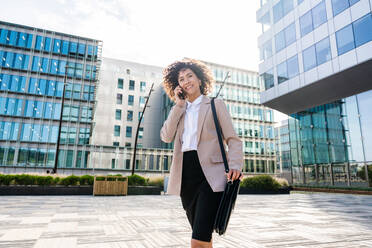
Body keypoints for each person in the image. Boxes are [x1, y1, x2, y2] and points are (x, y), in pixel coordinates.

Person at [160, 59, 243, 248]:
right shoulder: (179, 109)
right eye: (181, 79)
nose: (186, 81)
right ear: (177, 85)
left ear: (199, 79)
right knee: (204, 238)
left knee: (198, 240)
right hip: (186, 176)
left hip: (211, 177)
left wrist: (236, 165)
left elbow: (233, 139)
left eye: (190, 76)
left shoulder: (215, 104)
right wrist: (178, 105)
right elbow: (166, 136)